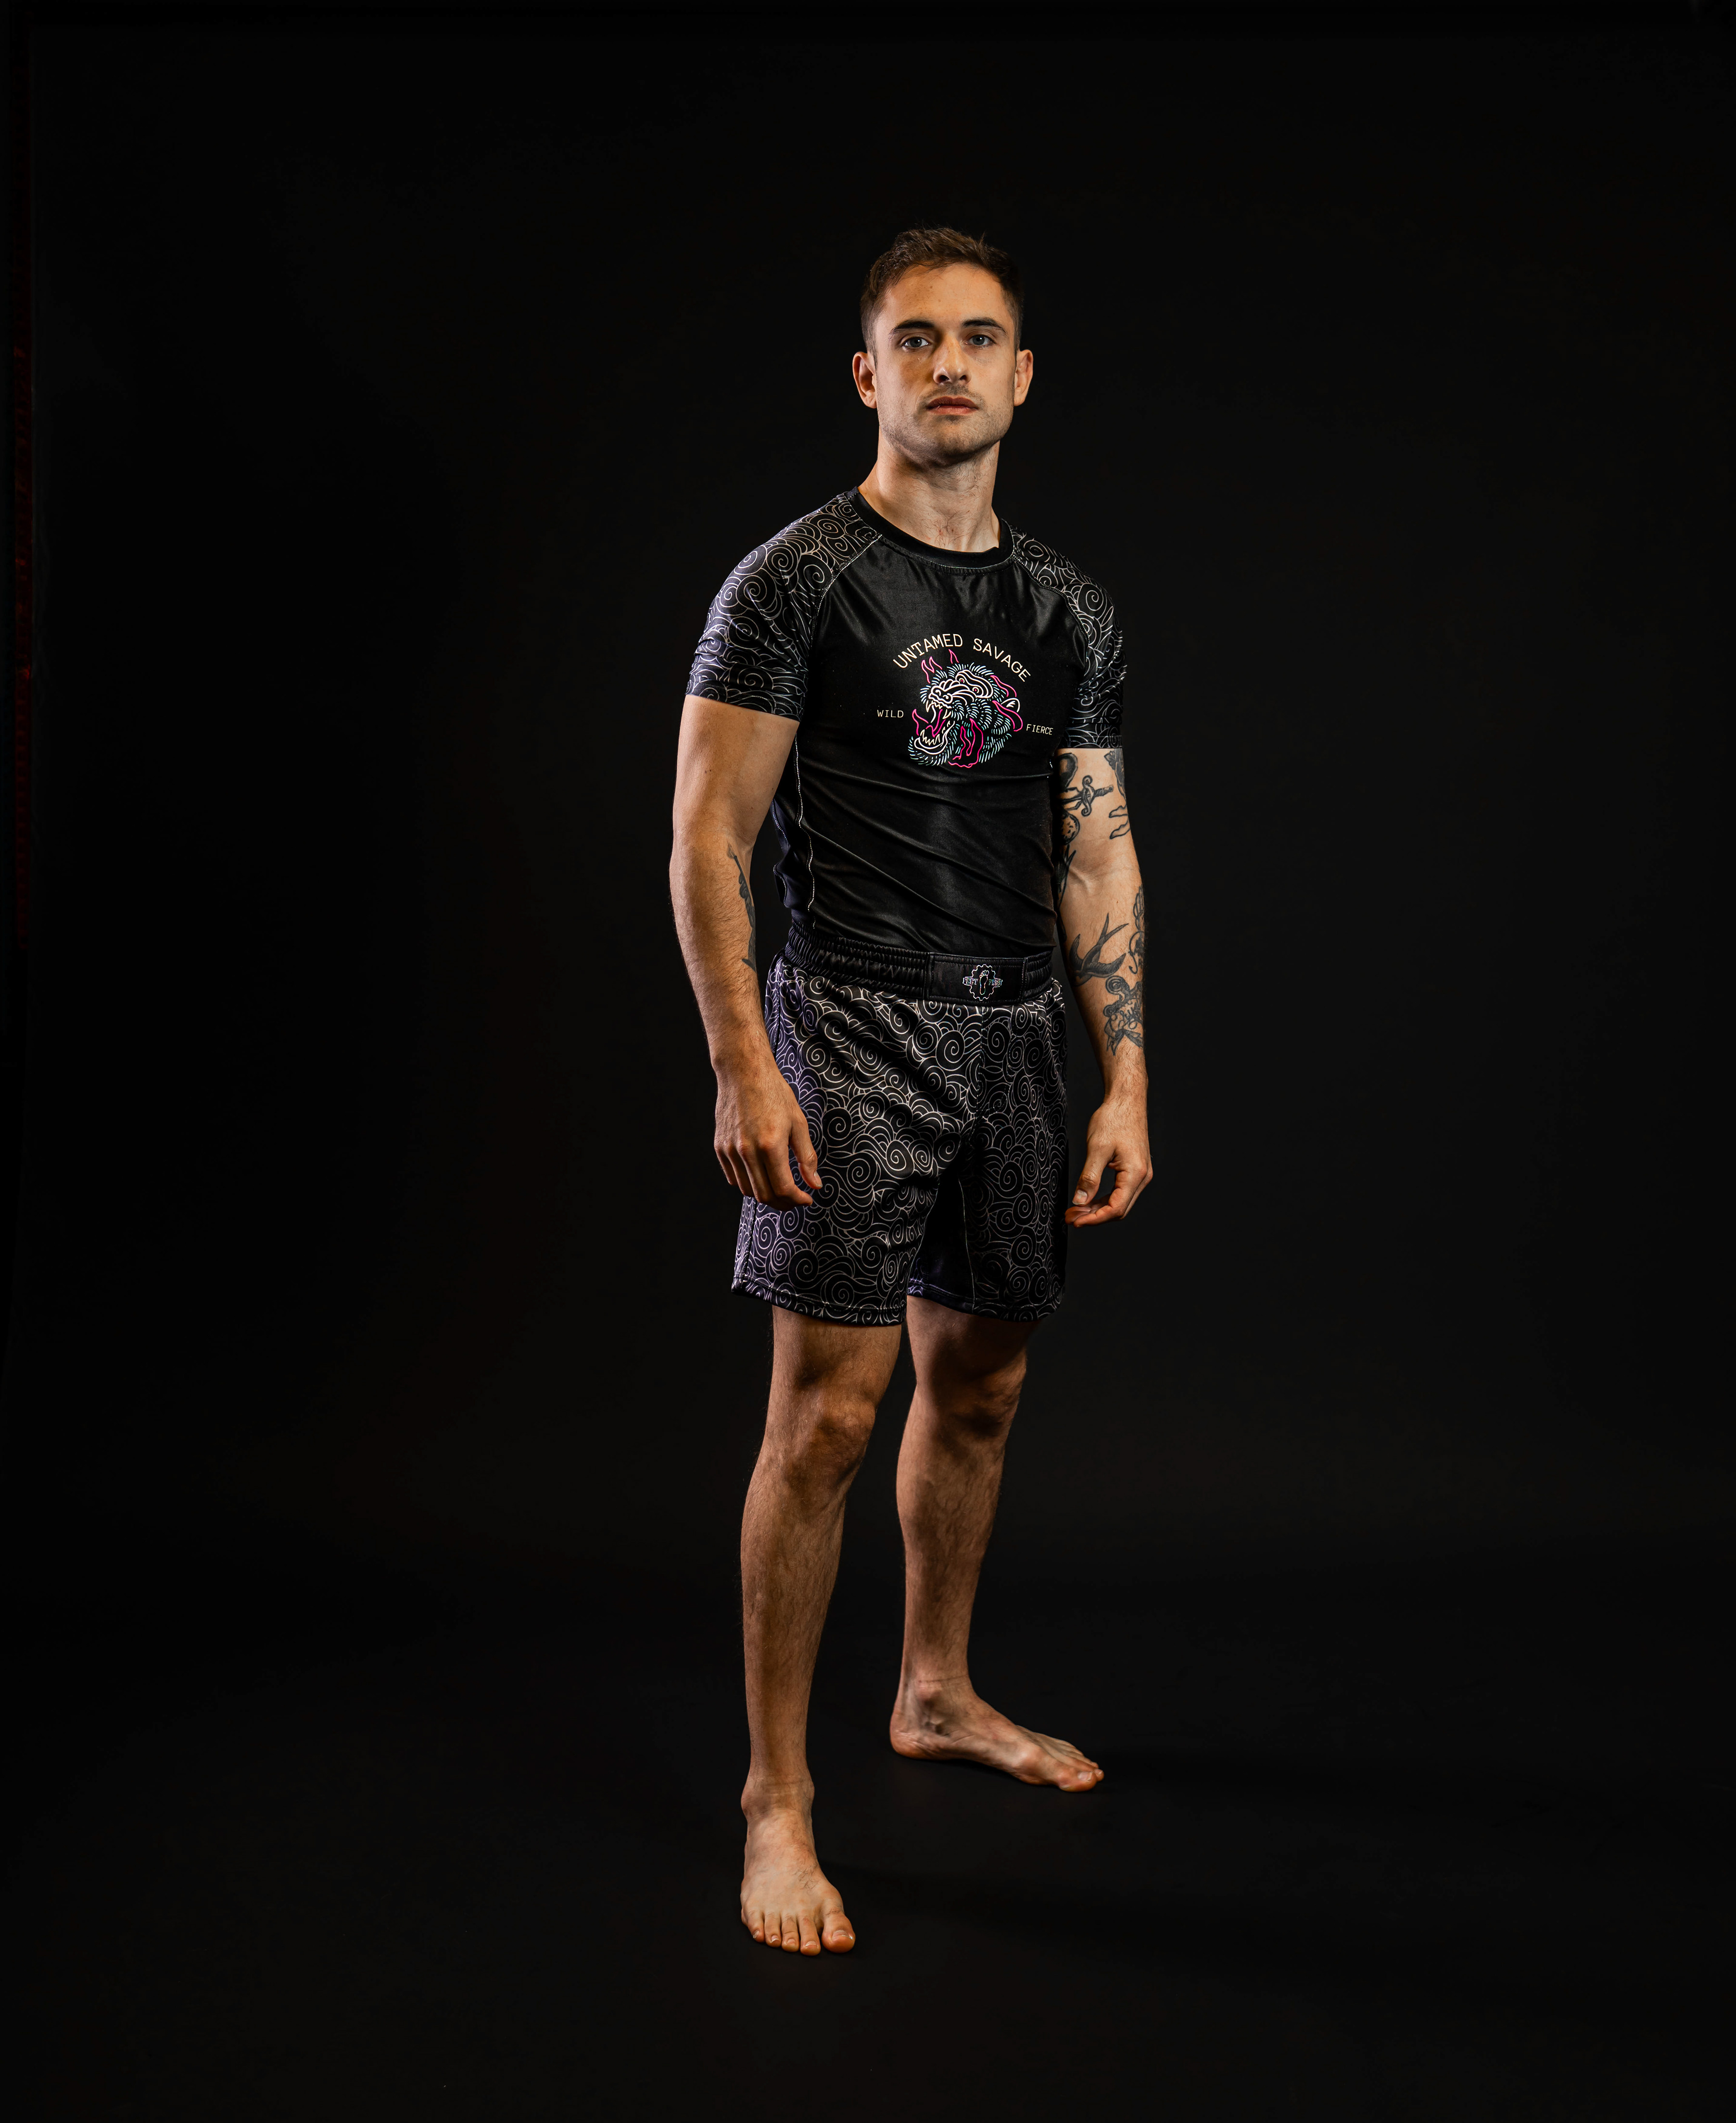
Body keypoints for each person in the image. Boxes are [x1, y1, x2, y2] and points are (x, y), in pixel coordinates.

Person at [669, 227, 1151, 1957]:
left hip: (1017, 1038)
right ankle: (776, 1801)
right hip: (852, 1026)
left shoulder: (1069, 608)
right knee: (824, 1422)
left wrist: (1127, 1080)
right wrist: (746, 1061)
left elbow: (1095, 848)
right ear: (869, 374)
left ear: (1024, 377)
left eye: (981, 337)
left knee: (983, 1392)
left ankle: (934, 1691)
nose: (951, 364)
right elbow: (707, 840)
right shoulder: (795, 582)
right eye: (917, 338)